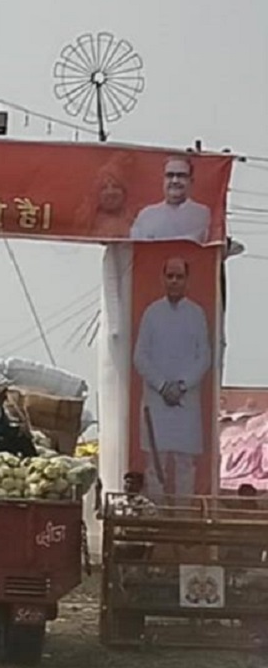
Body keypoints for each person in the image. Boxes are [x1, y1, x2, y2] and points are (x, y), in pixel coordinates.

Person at [133, 257, 211, 499]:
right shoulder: (152, 314)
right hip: (157, 402)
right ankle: (156, 519)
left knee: (185, 464)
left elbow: (204, 357)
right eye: (170, 276)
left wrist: (182, 386)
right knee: (155, 464)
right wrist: (163, 386)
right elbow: (140, 357)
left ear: (187, 280)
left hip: (185, 401)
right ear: (163, 279)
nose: (174, 281)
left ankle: (182, 522)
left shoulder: (197, 314)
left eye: (179, 277)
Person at [129, 157, 212, 243]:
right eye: (170, 175)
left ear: (191, 181)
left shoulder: (203, 214)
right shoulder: (146, 215)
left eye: (181, 175)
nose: (175, 180)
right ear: (163, 180)